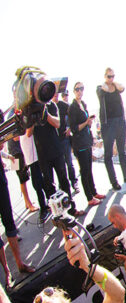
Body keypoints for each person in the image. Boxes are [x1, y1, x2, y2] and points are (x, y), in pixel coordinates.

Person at [19, 67, 84, 218]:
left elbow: (57, 123)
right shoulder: (30, 110)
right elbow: (28, 133)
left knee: (64, 180)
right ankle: (58, 213)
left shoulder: (51, 105)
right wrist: (33, 117)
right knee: (49, 185)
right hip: (42, 154)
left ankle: (71, 209)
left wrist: (44, 112)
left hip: (56, 150)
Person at [97, 67, 126, 190]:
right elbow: (103, 89)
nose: (111, 79)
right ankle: (113, 181)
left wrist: (113, 82)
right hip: (108, 123)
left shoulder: (116, 87)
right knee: (108, 154)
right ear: (104, 76)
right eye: (109, 76)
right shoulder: (100, 88)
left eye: (113, 76)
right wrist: (107, 83)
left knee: (122, 150)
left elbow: (122, 87)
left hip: (120, 120)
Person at [68, 82, 105, 208]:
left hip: (86, 140)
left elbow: (84, 124)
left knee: (89, 169)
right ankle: (89, 198)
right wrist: (86, 122)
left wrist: (88, 124)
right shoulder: (72, 107)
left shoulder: (82, 104)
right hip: (80, 143)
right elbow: (74, 128)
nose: (80, 91)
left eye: (81, 89)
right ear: (74, 91)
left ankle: (93, 192)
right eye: (77, 89)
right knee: (84, 171)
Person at [56, 89, 79, 194]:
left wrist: (69, 127)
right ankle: (63, 186)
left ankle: (74, 182)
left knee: (69, 163)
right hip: (55, 141)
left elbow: (71, 116)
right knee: (60, 166)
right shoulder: (48, 106)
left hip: (65, 139)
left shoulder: (64, 105)